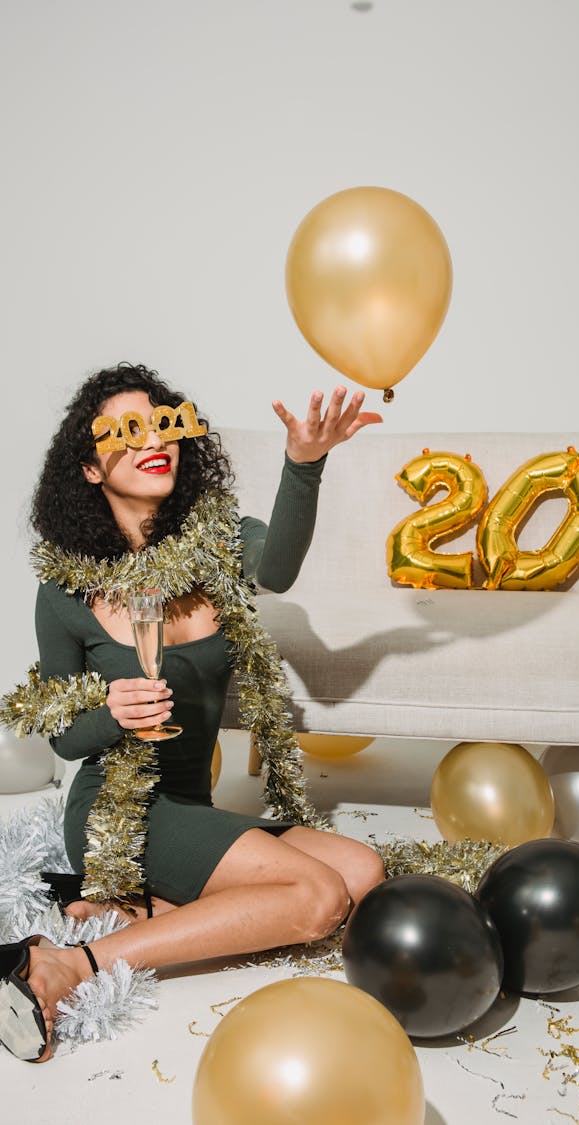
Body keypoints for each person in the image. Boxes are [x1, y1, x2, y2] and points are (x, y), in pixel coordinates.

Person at [0, 362, 385, 1063]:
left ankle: (145, 905)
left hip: (189, 802)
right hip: (115, 812)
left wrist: (304, 463)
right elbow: (63, 737)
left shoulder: (222, 542)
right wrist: (113, 709)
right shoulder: (64, 591)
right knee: (318, 897)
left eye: (163, 421)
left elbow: (281, 571)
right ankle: (69, 963)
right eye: (127, 429)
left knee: (361, 870)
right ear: (89, 468)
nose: (154, 438)